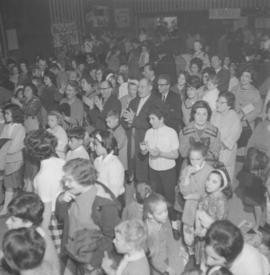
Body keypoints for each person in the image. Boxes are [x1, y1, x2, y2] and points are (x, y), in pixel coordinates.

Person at [55, 158, 121, 274]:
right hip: (73, 254)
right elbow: (61, 218)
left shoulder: (104, 204)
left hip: (92, 261)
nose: (66, 184)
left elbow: (111, 236)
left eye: (69, 181)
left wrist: (93, 263)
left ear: (83, 180)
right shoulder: (70, 194)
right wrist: (61, 201)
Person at [24, 129, 65, 251]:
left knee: (52, 253)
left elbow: (46, 211)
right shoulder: (62, 162)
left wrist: (41, 234)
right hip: (65, 212)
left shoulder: (41, 177)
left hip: (52, 219)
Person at [5, 192, 60, 274]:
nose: (7, 222)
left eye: (13, 220)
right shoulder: (29, 233)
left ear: (28, 223)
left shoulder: (34, 243)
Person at [122, 78, 163, 182]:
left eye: (142, 87)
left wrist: (134, 120)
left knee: (143, 174)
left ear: (150, 87)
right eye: (138, 87)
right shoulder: (134, 101)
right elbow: (124, 120)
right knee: (132, 170)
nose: (139, 89)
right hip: (131, 141)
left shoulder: (156, 102)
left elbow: (152, 124)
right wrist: (129, 122)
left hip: (145, 142)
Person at [141, 107, 179, 217]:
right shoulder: (149, 132)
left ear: (161, 119)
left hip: (167, 170)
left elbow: (175, 155)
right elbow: (144, 153)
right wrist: (143, 150)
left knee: (169, 197)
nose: (150, 121)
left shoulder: (171, 132)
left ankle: (172, 221)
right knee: (156, 197)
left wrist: (160, 154)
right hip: (153, 169)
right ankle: (158, 219)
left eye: (153, 119)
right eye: (149, 119)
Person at [179, 142, 213, 251]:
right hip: (189, 207)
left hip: (205, 208)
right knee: (188, 235)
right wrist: (187, 176)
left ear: (204, 157)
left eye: (197, 159)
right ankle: (190, 251)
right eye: (191, 159)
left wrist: (196, 196)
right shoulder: (186, 170)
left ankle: (201, 254)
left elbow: (211, 194)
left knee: (203, 235)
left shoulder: (210, 171)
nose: (194, 162)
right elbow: (184, 192)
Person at [194, 169, 232, 266]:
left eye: (214, 182)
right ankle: (201, 263)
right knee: (201, 250)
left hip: (214, 233)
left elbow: (219, 224)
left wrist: (206, 231)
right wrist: (198, 227)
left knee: (210, 256)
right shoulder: (205, 196)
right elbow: (198, 211)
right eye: (208, 179)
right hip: (203, 230)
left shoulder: (222, 202)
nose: (208, 183)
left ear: (221, 186)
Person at [205, 220, 270, 275]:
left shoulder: (253, 271)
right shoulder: (232, 244)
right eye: (207, 255)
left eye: (214, 258)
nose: (207, 262)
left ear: (230, 258)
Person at [143, 193, 187, 275]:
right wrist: (167, 269)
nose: (165, 215)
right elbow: (155, 259)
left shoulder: (164, 220)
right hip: (160, 265)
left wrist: (179, 248)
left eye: (165, 210)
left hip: (168, 256)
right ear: (150, 215)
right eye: (160, 213)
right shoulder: (152, 233)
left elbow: (170, 237)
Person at [0, 104, 25, 216]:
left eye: (8, 113)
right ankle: (8, 207)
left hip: (15, 160)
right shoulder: (6, 126)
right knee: (8, 185)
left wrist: (3, 148)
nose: (5, 116)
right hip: (6, 159)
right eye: (5, 113)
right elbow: (2, 141)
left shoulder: (20, 128)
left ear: (15, 114)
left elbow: (14, 147)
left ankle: (8, 208)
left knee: (12, 185)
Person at [211, 92, 242, 181]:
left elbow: (230, 140)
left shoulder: (234, 118)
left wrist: (216, 146)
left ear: (229, 105)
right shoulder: (214, 113)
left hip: (225, 153)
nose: (217, 104)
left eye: (221, 102)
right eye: (217, 101)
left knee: (224, 178)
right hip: (213, 151)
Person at [179, 100, 221, 165]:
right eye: (198, 114)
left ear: (208, 115)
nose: (201, 117)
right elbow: (183, 153)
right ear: (193, 115)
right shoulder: (185, 131)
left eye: (204, 114)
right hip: (189, 164)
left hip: (208, 165)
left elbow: (215, 155)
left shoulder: (215, 132)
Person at [93, 130, 125, 201]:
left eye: (96, 145)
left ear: (105, 144)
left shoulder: (114, 165)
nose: (94, 147)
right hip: (99, 196)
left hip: (112, 201)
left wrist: (95, 195)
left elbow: (114, 193)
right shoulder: (97, 161)